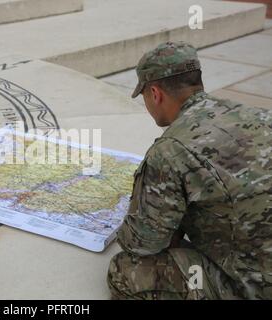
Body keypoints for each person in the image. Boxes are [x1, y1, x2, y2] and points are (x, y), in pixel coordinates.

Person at [107, 41, 272, 300]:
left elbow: (142, 244)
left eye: (145, 98)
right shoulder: (259, 115)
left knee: (125, 271)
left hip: (257, 286)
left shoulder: (170, 150)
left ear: (155, 93)